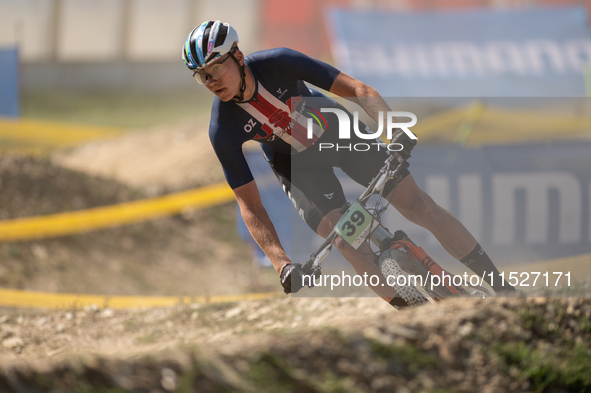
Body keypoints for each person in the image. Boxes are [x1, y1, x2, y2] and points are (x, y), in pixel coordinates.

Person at [182, 20, 515, 307]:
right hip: (298, 169)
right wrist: (281, 264)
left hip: (340, 136)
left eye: (216, 68)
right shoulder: (222, 128)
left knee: (418, 206)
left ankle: (502, 289)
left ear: (238, 56)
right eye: (202, 77)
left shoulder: (278, 62)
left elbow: (358, 89)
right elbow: (250, 206)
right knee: (345, 240)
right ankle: (417, 314)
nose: (211, 81)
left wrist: (393, 129)